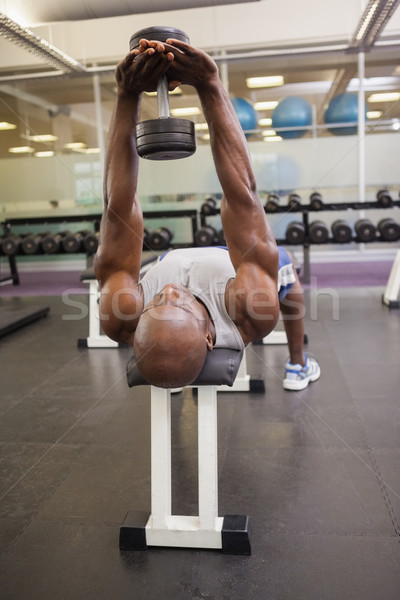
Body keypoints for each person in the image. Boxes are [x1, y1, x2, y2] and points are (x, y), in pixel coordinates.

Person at [94, 36, 320, 391]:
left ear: (138, 328)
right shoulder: (250, 310)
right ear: (210, 336)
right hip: (230, 266)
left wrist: (127, 95)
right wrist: (209, 85)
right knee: (286, 278)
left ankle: (298, 362)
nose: (169, 290)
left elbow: (117, 208)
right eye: (179, 306)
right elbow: (242, 195)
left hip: (175, 257)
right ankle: (298, 363)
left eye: (156, 305)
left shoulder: (121, 315)